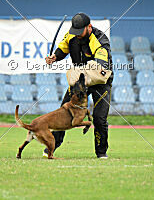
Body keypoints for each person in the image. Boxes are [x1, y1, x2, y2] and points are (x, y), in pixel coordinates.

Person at [45, 12, 113, 159]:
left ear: (89, 27)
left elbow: (101, 65)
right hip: (80, 81)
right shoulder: (72, 35)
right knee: (63, 111)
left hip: (100, 81)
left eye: (79, 32)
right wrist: (54, 57)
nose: (76, 35)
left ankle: (101, 152)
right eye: (74, 32)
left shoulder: (100, 40)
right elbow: (63, 49)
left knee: (99, 117)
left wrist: (87, 70)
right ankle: (51, 147)